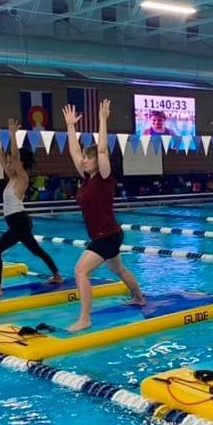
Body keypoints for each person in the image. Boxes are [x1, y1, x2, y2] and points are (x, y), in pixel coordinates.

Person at [63, 100, 145, 331]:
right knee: (118, 269)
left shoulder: (105, 177)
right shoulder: (87, 178)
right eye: (85, 158)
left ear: (97, 162)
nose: (84, 160)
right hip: (108, 233)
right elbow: (74, 151)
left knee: (80, 271)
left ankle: (85, 318)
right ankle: (139, 298)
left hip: (106, 235)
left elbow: (100, 149)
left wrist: (102, 119)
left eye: (88, 158)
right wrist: (70, 126)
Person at [0, 118, 63, 298]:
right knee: (36, 250)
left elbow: (15, 158)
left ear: (20, 164)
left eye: (11, 162)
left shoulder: (22, 177)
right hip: (19, 223)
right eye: (9, 163)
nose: (8, 164)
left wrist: (12, 135)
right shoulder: (12, 178)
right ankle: (57, 275)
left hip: (19, 222)